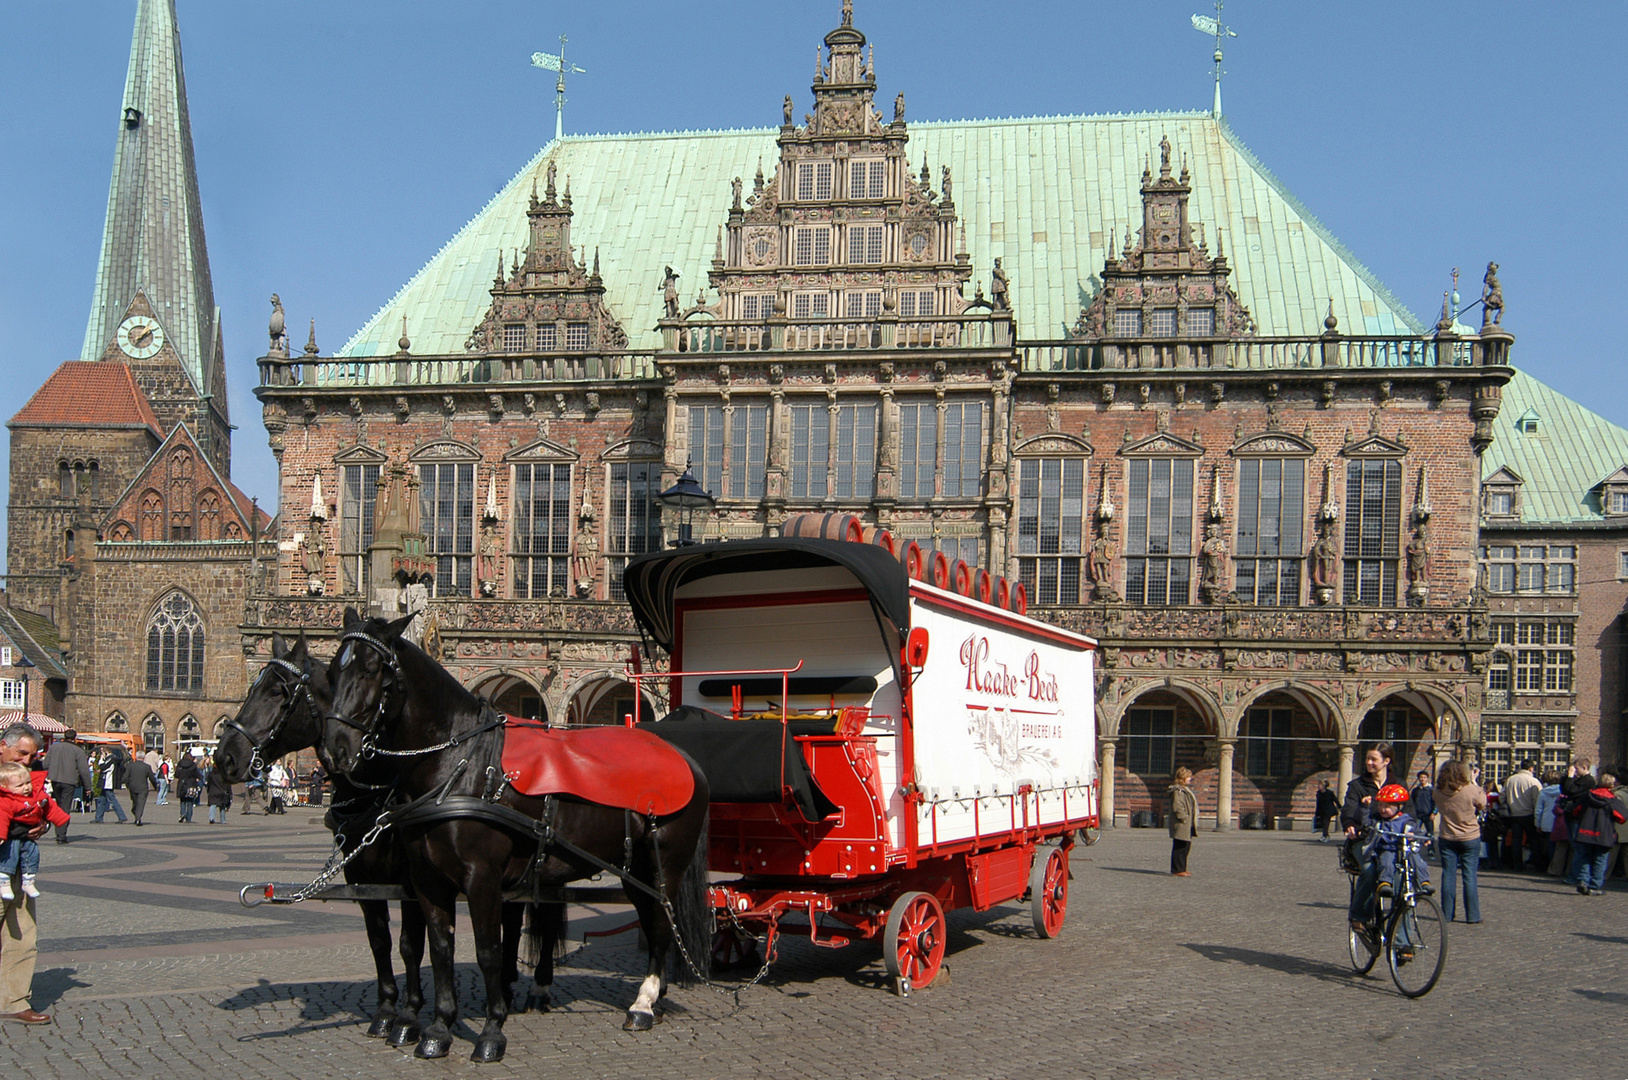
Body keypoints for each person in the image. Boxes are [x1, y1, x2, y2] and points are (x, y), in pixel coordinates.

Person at [0, 723, 53, 1023]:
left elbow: (41, 810)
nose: (25, 761)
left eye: (30, 757)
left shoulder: (29, 779)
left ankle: (14, 1000)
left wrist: (42, 824)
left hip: (19, 867)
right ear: (2, 747)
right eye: (21, 753)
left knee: (22, 933)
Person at [1348, 783, 1432, 936]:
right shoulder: (1378, 820)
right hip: (1387, 850)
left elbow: (1416, 831)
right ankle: (1385, 883)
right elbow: (1366, 824)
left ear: (1399, 807)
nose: (1381, 809)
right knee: (1386, 862)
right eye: (1380, 805)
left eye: (1386, 806)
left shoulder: (1407, 820)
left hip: (1403, 852)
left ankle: (1424, 882)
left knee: (1418, 862)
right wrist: (1365, 808)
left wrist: (1420, 838)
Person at [0, 761, 67, 900]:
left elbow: (49, 806)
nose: (26, 788)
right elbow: (2, 817)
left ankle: (29, 879)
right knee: (9, 852)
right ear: (5, 787)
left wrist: (60, 819)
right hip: (13, 835)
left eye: (28, 783)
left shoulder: (35, 794)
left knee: (32, 851)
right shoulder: (7, 800)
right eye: (20, 785)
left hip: (28, 832)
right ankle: (4, 880)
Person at [1434, 759, 1486, 924]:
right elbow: (1482, 804)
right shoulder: (1470, 789)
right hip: (1470, 837)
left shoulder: (1437, 791)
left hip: (1447, 836)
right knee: (1469, 876)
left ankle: (1447, 914)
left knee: (1448, 876)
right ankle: (1473, 915)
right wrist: (1473, 781)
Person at [1565, 768, 1626, 896]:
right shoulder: (1612, 800)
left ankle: (1583, 880)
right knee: (1600, 860)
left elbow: (1575, 811)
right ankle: (1594, 885)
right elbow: (1621, 817)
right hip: (1604, 834)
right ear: (1611, 785)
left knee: (1585, 857)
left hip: (1585, 832)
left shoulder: (1587, 796)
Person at [42, 730, 92, 845]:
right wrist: (88, 787)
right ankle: (61, 834)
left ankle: (59, 831)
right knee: (65, 807)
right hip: (69, 781)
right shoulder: (78, 751)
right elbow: (84, 770)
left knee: (59, 805)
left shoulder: (54, 748)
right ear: (75, 738)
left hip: (55, 779)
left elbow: (45, 764)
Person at [1501, 758, 1541, 870]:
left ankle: (1517, 863)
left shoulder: (1510, 780)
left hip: (1514, 814)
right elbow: (1537, 799)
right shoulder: (1533, 781)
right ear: (1531, 768)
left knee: (1516, 840)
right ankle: (1537, 863)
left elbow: (1502, 796)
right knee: (1533, 840)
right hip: (1529, 814)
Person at [1167, 766, 1198, 876]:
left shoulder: (1184, 790)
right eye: (1189, 777)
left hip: (1186, 822)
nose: (1190, 779)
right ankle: (1177, 870)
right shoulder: (1178, 791)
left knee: (1186, 846)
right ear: (1183, 778)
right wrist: (1184, 817)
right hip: (1181, 823)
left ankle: (1182, 868)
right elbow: (1178, 806)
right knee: (1180, 846)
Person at [92, 747, 129, 824]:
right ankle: (99, 817)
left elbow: (103, 767)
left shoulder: (111, 759)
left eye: (102, 752)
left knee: (112, 800)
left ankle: (122, 816)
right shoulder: (110, 759)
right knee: (101, 800)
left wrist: (101, 759)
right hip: (105, 783)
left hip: (108, 783)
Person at [123, 752, 157, 826]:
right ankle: (137, 816)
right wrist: (156, 787)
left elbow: (125, 777)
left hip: (133, 787)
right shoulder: (146, 767)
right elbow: (152, 778)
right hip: (143, 787)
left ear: (135, 757)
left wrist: (127, 785)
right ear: (144, 758)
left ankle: (138, 818)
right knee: (139, 803)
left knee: (137, 802)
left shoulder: (130, 765)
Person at [174, 753, 202, 823]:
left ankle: (182, 814)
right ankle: (188, 818)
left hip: (182, 784)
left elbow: (176, 775)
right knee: (190, 802)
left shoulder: (180, 764)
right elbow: (198, 775)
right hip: (191, 784)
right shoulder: (193, 765)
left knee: (182, 800)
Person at [1409, 769, 1437, 838]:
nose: (1422, 779)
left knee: (1430, 833)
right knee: (1415, 831)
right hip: (1418, 814)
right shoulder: (1415, 790)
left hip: (1428, 814)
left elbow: (1436, 802)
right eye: (1421, 777)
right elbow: (1412, 802)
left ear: (1427, 778)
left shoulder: (1431, 790)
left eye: (1424, 777)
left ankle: (1431, 848)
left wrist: (1434, 813)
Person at [206, 757, 232, 824]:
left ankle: (211, 818)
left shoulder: (211, 774)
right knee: (222, 806)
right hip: (222, 791)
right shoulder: (224, 775)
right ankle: (222, 820)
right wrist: (229, 792)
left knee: (213, 805)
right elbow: (228, 785)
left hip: (213, 791)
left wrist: (208, 791)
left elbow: (209, 783)